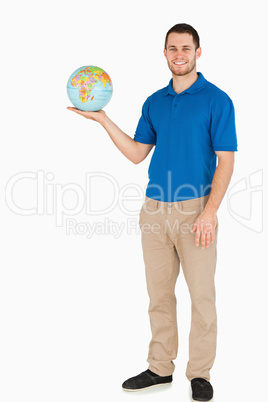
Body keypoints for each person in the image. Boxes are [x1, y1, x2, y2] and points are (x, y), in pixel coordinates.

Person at [67, 23, 238, 402]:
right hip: (154, 210)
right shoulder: (154, 102)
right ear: (164, 53)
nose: (179, 54)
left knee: (202, 297)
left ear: (198, 52)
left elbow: (226, 161)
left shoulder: (217, 100)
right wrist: (102, 119)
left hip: (197, 212)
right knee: (159, 296)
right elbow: (136, 154)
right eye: (172, 48)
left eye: (186, 48)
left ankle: (200, 374)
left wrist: (209, 213)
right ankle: (160, 368)